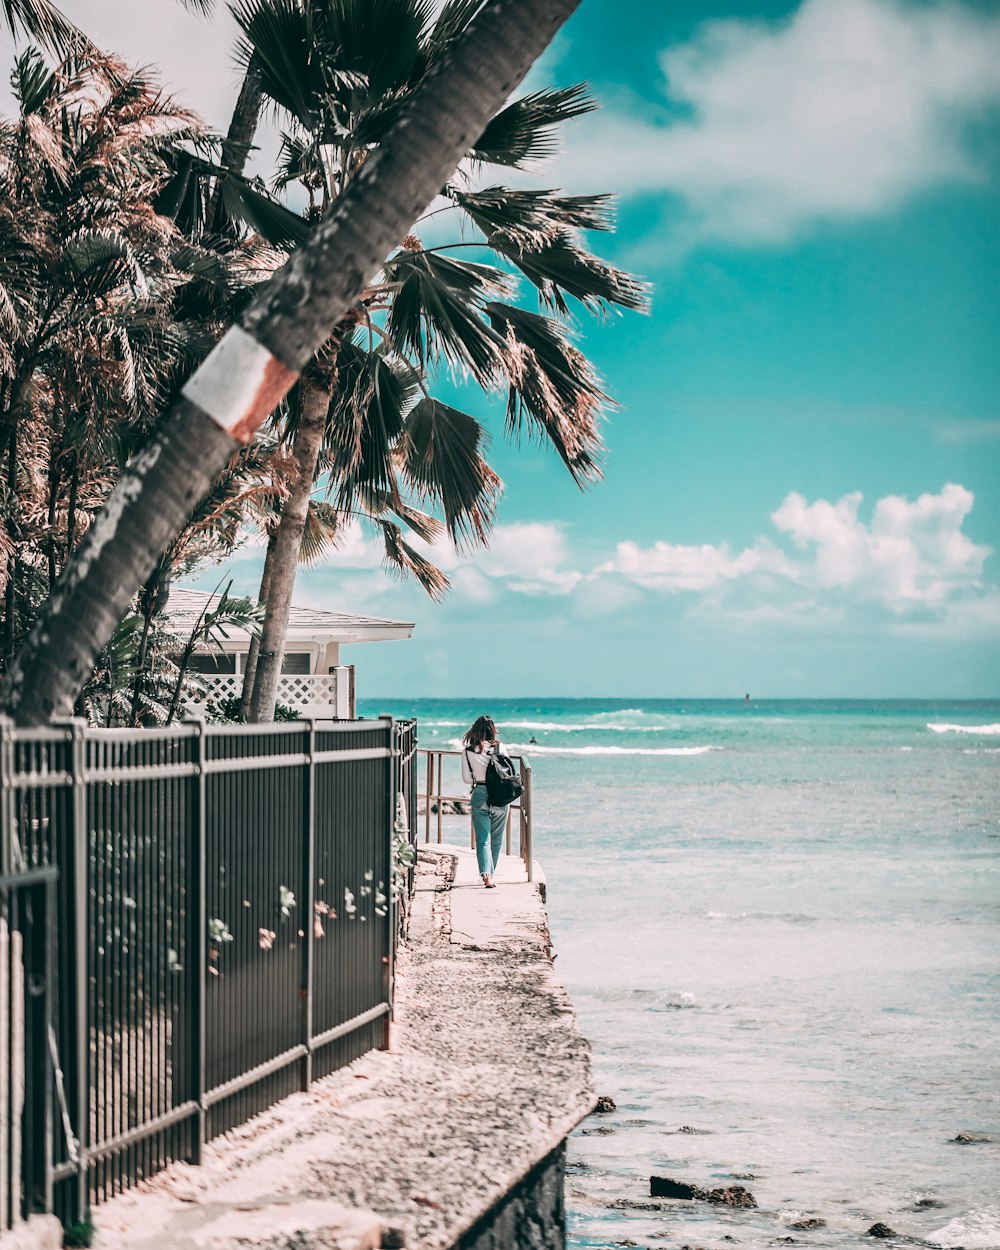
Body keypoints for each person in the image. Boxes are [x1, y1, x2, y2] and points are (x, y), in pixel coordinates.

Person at [461, 714, 508, 889]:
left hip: (480, 793)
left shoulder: (468, 752)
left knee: (483, 839)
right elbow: (508, 771)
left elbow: (467, 779)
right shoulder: (500, 748)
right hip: (500, 795)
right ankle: (491, 876)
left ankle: (486, 875)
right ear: (493, 730)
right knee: (496, 839)